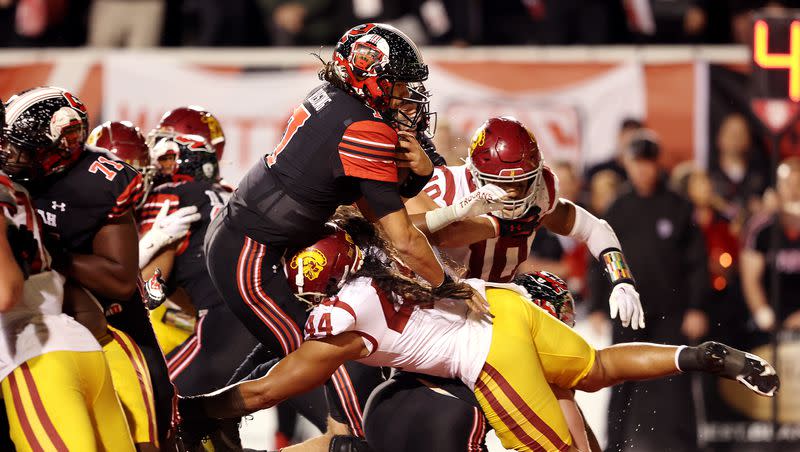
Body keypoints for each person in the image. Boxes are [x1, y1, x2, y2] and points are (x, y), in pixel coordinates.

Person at [180, 220, 778, 452]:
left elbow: (266, 391)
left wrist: (196, 408)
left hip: (485, 356)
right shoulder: (382, 263)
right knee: (594, 368)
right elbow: (593, 380)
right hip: (503, 306)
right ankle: (697, 356)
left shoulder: (343, 316)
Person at [203, 23, 476, 446]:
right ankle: (199, 417)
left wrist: (423, 171)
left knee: (308, 344)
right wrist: (448, 287)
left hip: (260, 241)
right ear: (368, 76)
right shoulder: (364, 128)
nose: (407, 96)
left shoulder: (337, 100)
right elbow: (400, 236)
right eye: (398, 85)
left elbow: (368, 200)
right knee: (333, 367)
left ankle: (208, 420)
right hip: (252, 256)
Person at [4, 87, 175, 449]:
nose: (10, 153)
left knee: (154, 430)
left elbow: (119, 281)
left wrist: (52, 254)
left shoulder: (95, 182)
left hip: (107, 327)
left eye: (22, 146)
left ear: (59, 147)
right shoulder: (11, 180)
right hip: (54, 327)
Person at [588, 129, 711, 451]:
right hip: (628, 311)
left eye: (648, 163)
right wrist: (600, 305)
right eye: (637, 163)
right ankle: (614, 444)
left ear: (657, 165)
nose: (643, 170)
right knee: (618, 378)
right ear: (628, 165)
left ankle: (686, 445)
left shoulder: (679, 207)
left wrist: (696, 308)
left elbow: (697, 262)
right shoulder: (618, 208)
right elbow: (602, 256)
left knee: (679, 377)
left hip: (672, 311)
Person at [741, 156, 800, 332]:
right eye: (788, 185)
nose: (795, 191)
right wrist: (764, 316)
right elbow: (751, 279)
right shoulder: (761, 228)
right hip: (772, 321)